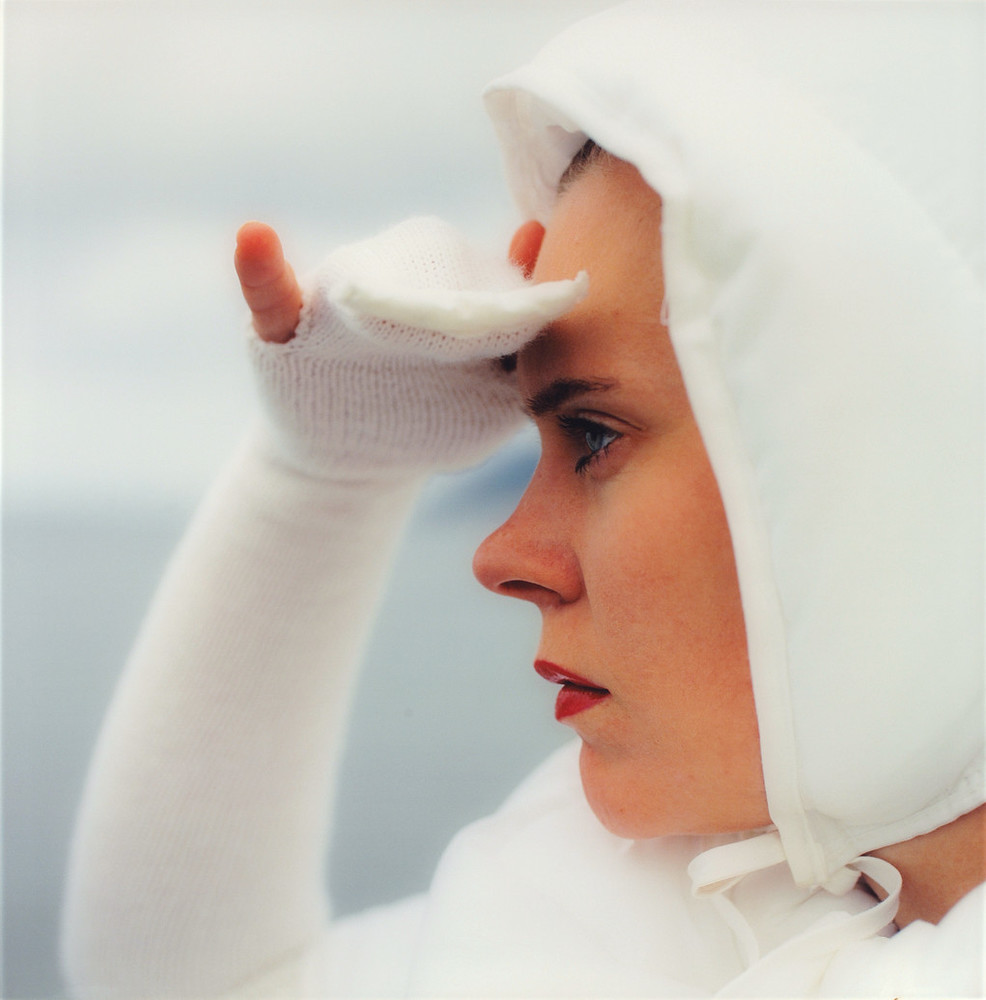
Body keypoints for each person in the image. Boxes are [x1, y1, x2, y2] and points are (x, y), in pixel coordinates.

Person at [62, 2, 984, 996]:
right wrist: (325, 470)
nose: (499, 555)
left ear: (895, 459)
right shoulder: (639, 901)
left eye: (591, 434)